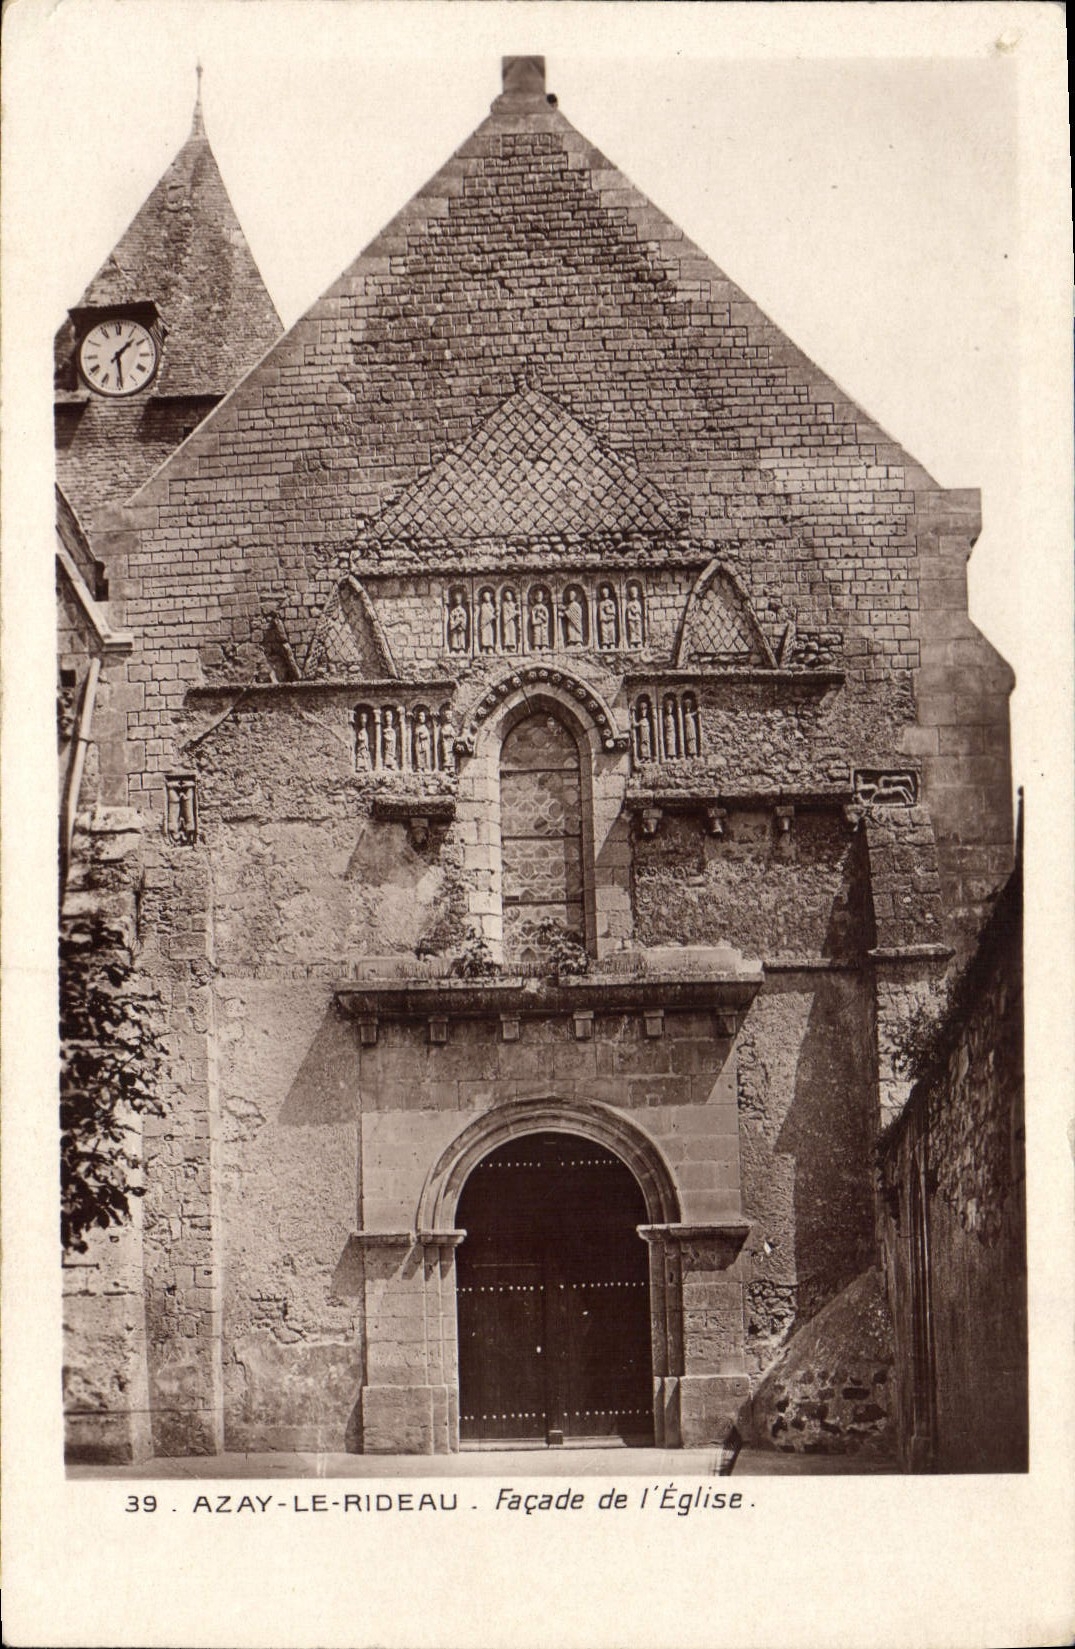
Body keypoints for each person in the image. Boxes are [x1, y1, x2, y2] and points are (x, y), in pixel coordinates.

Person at [625, 584, 644, 648]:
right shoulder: (629, 604)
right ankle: (632, 642)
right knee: (632, 630)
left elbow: (639, 610)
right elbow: (628, 610)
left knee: (638, 630)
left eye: (635, 592)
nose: (634, 594)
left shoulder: (638, 603)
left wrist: (635, 610)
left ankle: (638, 642)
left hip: (637, 619)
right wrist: (632, 610)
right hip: (631, 619)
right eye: (632, 592)